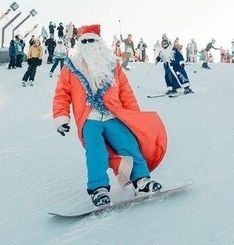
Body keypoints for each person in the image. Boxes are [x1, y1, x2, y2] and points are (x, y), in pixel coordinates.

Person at [52, 24, 167, 206]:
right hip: (89, 119)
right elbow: (62, 94)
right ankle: (98, 189)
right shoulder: (70, 67)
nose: (89, 44)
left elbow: (126, 93)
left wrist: (133, 117)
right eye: (85, 41)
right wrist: (61, 117)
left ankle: (142, 180)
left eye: (93, 40)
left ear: (99, 43)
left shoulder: (113, 65)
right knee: (96, 152)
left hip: (114, 116)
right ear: (80, 44)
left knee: (128, 145)